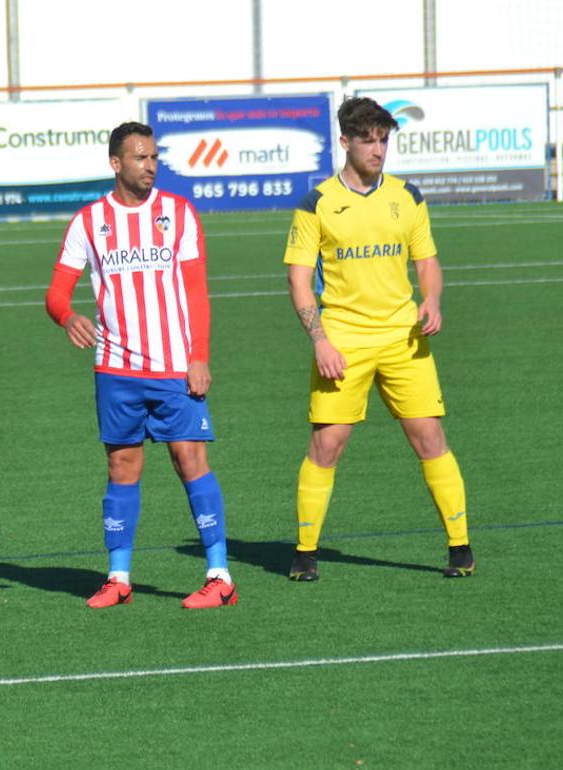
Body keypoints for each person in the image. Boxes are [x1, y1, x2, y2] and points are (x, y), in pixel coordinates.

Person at [45, 121, 236, 611]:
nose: (150, 165)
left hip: (175, 367)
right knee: (121, 466)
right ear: (116, 163)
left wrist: (199, 356)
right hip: (116, 369)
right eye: (140, 158)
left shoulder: (178, 213)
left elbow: (196, 292)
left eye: (154, 157)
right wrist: (68, 317)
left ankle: (219, 575)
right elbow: (56, 294)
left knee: (189, 460)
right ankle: (118, 577)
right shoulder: (89, 222)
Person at [282, 96, 474, 582]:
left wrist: (431, 300)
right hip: (343, 340)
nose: (377, 149)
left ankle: (460, 549)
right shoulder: (317, 204)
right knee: (327, 445)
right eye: (367, 140)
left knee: (429, 436)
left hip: (403, 339)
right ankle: (305, 553)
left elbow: (426, 262)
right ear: (344, 141)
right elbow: (299, 280)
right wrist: (320, 341)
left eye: (384, 140)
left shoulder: (407, 197)